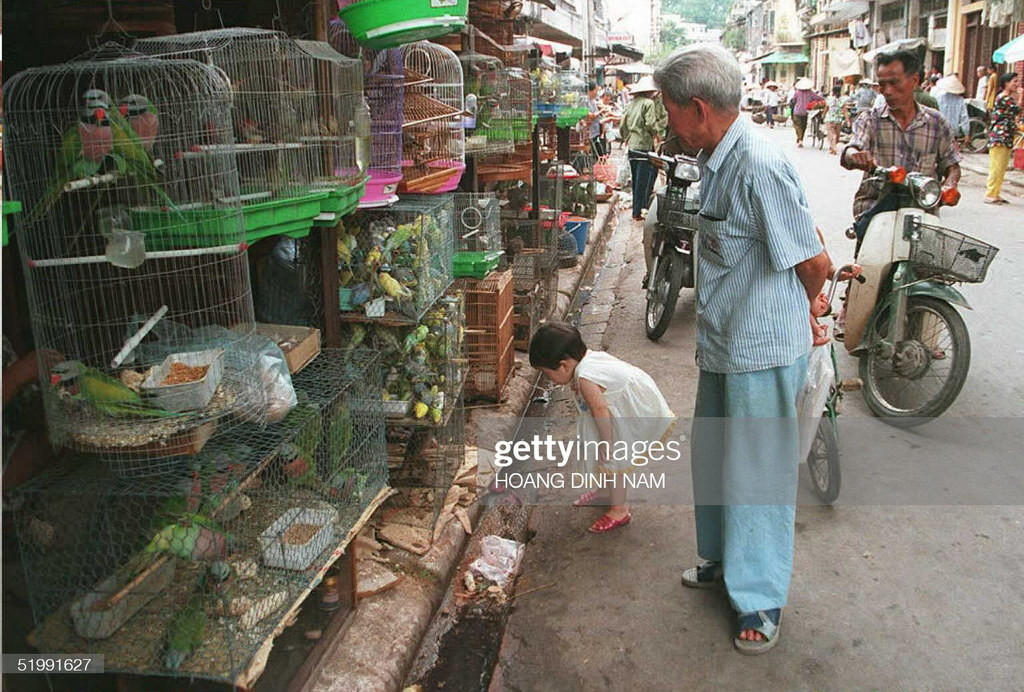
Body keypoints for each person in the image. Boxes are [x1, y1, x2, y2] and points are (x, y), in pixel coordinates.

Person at [654, 44, 832, 654]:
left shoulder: (758, 163)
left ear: (698, 108)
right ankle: (724, 562)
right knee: (715, 460)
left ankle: (758, 599)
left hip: (761, 349)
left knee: (755, 475)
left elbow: (815, 260)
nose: (665, 121)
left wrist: (811, 312)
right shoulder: (715, 158)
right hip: (725, 344)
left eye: (668, 108)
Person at [528, 322, 674, 533]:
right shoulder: (585, 359)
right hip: (616, 407)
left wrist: (607, 442)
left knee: (612, 460)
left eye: (548, 373)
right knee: (602, 457)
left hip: (626, 411)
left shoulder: (586, 377)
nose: (549, 379)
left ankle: (619, 510)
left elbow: (599, 409)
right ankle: (606, 492)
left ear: (564, 365)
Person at [840, 49, 961, 243]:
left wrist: (950, 185)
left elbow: (952, 165)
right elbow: (853, 147)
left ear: (914, 80)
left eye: (894, 83)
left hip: (922, 214)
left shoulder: (937, 123)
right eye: (882, 84)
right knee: (869, 269)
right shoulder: (870, 120)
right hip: (876, 211)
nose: (887, 91)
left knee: (928, 270)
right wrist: (855, 155)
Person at [619, 76, 668, 221]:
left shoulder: (631, 103)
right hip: (644, 146)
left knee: (635, 181)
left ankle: (636, 211)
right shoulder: (648, 104)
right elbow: (650, 124)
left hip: (632, 147)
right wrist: (656, 132)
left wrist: (626, 138)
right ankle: (637, 212)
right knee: (642, 181)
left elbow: (623, 125)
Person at [985, 72, 1022, 205]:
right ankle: (990, 194)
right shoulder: (1004, 98)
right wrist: (1021, 96)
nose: (1017, 84)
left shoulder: (1007, 97)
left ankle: (996, 193)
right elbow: (1017, 110)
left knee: (1002, 167)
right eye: (1014, 81)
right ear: (1006, 83)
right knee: (996, 166)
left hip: (1006, 136)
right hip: (999, 137)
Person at [935, 74, 970, 142]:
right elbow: (964, 117)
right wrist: (966, 133)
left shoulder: (938, 97)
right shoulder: (960, 100)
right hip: (953, 131)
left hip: (939, 128)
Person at [789, 77, 820, 147]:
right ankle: (800, 139)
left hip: (797, 111)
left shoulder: (797, 92)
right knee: (803, 126)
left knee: (797, 126)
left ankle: (800, 140)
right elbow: (818, 98)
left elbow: (794, 100)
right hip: (805, 112)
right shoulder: (810, 93)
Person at [824, 85, 850, 155]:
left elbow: (826, 109)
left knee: (832, 134)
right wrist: (847, 120)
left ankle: (833, 147)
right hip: (838, 120)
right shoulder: (842, 100)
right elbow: (845, 111)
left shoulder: (829, 99)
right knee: (837, 135)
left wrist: (823, 116)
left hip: (829, 119)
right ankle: (833, 147)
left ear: (833, 92)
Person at [585, 82, 607, 157]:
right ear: (591, 91)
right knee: (596, 153)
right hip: (589, 132)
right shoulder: (585, 101)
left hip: (596, 131)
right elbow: (590, 116)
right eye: (596, 90)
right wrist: (601, 111)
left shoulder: (593, 101)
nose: (597, 93)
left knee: (600, 153)